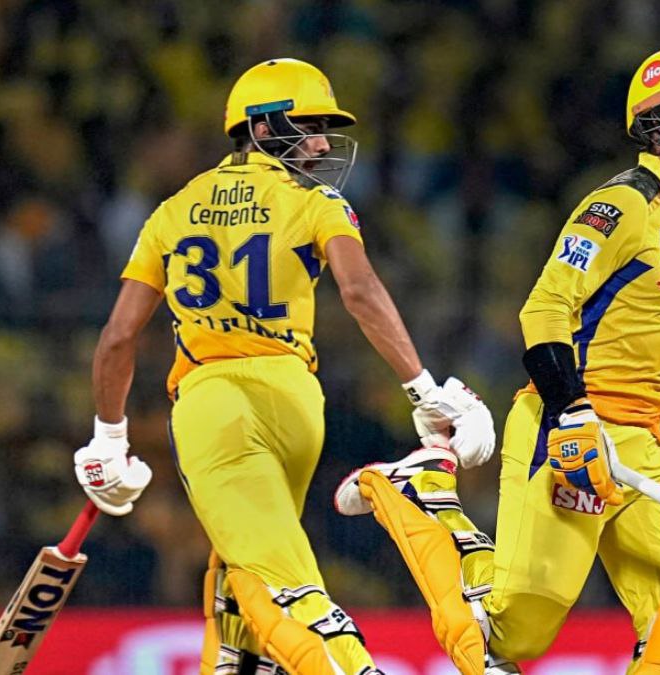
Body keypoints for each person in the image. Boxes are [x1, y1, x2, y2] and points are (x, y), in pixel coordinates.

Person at [336, 45, 660, 675]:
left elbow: (639, 333)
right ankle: (420, 494)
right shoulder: (621, 205)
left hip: (641, 444)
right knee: (511, 636)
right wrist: (572, 412)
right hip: (569, 432)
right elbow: (545, 309)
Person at [72, 57, 496, 675]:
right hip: (296, 400)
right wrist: (421, 388)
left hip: (214, 405)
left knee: (277, 578)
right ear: (263, 128)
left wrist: (109, 440)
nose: (323, 144)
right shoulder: (316, 201)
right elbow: (360, 291)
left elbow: (118, 338)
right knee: (243, 554)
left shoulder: (172, 211)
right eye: (310, 127)